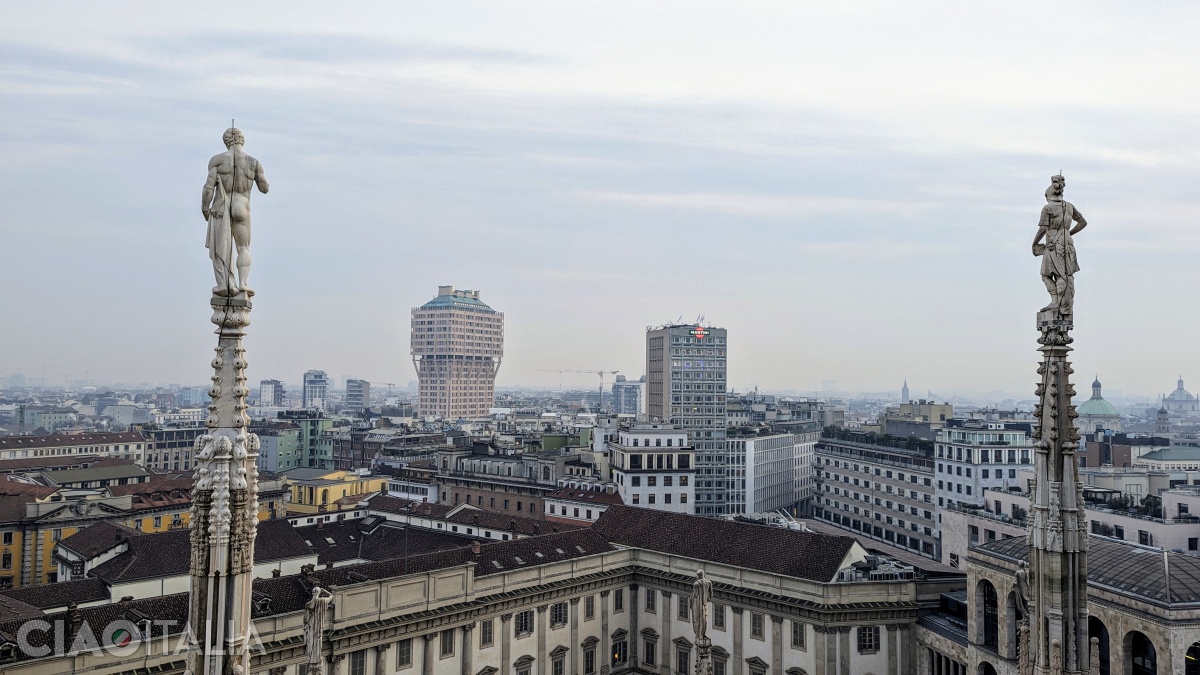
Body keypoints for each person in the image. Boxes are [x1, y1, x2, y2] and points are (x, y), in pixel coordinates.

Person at [202, 127, 269, 298]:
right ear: (242, 140)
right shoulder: (253, 162)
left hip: (222, 206)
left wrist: (204, 207)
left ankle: (225, 284)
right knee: (243, 247)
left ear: (226, 142)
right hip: (242, 205)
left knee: (223, 247)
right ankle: (242, 284)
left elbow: (208, 187)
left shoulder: (217, 161)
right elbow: (264, 188)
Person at [1032, 175, 1086, 315]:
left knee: (1046, 274)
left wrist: (1035, 243)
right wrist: (1068, 233)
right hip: (1067, 243)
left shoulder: (1047, 208)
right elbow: (1082, 223)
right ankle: (1064, 306)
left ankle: (1055, 301)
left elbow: (1043, 229)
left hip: (1053, 244)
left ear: (1048, 195)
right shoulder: (1069, 206)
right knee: (1065, 275)